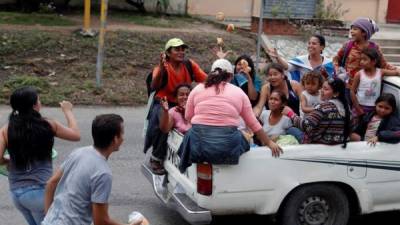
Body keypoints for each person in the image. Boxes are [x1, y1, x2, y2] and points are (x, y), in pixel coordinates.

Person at [178, 59, 282, 173]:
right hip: (227, 148)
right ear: (231, 76)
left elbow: (188, 117)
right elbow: (253, 123)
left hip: (199, 146)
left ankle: (182, 169)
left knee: (190, 133)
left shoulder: (197, 89)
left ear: (211, 73)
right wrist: (269, 142)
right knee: (243, 136)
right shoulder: (239, 92)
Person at [42, 114, 148, 225]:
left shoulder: (78, 152)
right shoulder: (103, 173)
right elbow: (100, 221)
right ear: (115, 139)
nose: (123, 138)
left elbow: (51, 183)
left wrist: (48, 216)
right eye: (122, 133)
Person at [0, 86, 80, 225]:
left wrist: (8, 160)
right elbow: (75, 135)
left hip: (17, 194)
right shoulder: (48, 124)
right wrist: (68, 111)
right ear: (35, 105)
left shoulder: (6, 129)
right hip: (40, 193)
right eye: (38, 99)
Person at [144, 38, 207, 175]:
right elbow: (154, 85)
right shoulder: (161, 67)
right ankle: (156, 157)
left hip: (183, 100)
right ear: (168, 53)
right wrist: (161, 67)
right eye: (177, 49)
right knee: (163, 121)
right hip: (163, 101)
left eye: (183, 49)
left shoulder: (189, 65)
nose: (181, 52)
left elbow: (206, 80)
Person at [282, 79, 351, 147]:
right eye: (322, 88)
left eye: (326, 89)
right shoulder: (346, 107)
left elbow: (306, 126)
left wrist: (290, 114)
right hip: (339, 145)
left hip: (317, 145)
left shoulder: (324, 107)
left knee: (290, 129)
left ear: (336, 93)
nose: (321, 91)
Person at [333, 17, 397, 87]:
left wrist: (396, 70)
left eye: (355, 29)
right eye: (351, 29)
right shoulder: (348, 45)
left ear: (364, 32)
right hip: (347, 87)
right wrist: (337, 71)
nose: (351, 31)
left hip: (366, 88)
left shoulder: (374, 48)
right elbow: (336, 59)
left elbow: (383, 65)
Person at [351, 48, 400, 117]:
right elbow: (352, 91)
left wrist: (397, 71)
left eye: (364, 59)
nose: (361, 62)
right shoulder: (359, 74)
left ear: (373, 62)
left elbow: (396, 73)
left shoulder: (380, 72)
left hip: (374, 108)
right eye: (361, 59)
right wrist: (357, 108)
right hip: (360, 107)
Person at [268, 34, 334, 82]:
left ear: (322, 47)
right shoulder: (300, 61)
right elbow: (287, 67)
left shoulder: (329, 64)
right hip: (302, 95)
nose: (310, 46)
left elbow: (331, 81)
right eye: (309, 43)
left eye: (314, 43)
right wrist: (277, 57)